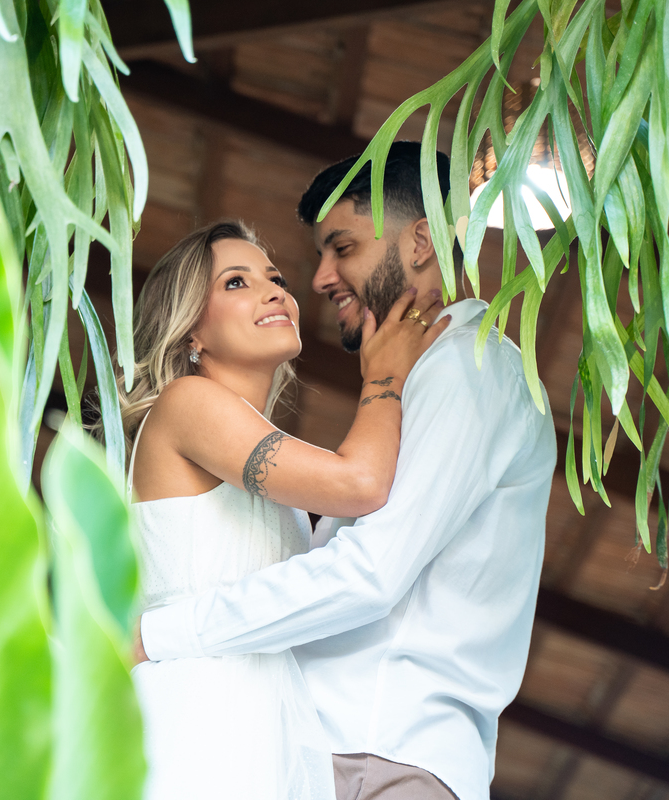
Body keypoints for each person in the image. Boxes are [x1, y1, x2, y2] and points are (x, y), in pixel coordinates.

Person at [135, 142, 557, 800]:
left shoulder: (466, 369)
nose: (316, 279)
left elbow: (369, 573)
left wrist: (156, 635)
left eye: (343, 248)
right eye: (240, 281)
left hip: (377, 753)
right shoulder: (393, 395)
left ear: (421, 241)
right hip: (303, 751)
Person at [122, 219, 449, 800]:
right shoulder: (188, 403)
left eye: (273, 278)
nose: (275, 291)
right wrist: (385, 376)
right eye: (236, 283)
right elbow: (361, 481)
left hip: (263, 725)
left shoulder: (259, 451)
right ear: (190, 331)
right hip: (194, 714)